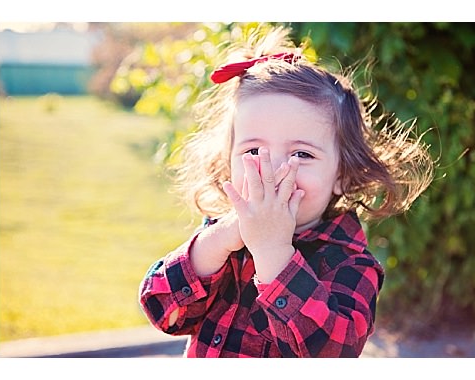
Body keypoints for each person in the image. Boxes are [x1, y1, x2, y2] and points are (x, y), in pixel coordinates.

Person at [136, 27, 432, 357]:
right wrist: (218, 240)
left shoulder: (349, 262)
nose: (275, 171)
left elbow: (331, 353)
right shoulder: (221, 237)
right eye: (252, 151)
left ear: (342, 175)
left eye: (301, 155)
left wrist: (272, 251)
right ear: (227, 161)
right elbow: (165, 312)